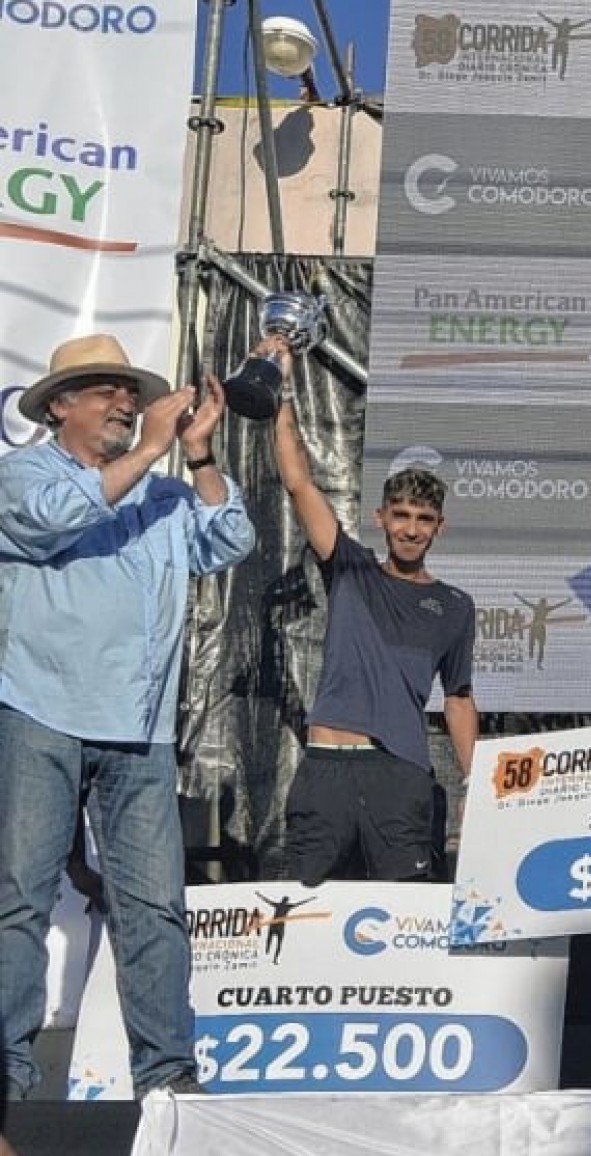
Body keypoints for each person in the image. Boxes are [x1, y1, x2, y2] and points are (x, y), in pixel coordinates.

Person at [0, 333, 253, 1099]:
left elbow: (231, 536)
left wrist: (200, 456)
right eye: (105, 390)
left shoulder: (163, 494)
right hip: (42, 710)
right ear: (59, 407)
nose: (126, 402)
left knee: (154, 909)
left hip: (140, 730)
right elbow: (47, 523)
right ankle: (6, 1074)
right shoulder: (23, 475)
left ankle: (168, 1078)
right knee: (20, 896)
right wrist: (148, 450)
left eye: (130, 390)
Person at [273, 365, 477, 886]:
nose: (411, 529)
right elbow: (297, 481)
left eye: (423, 519)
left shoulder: (455, 606)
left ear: (439, 527)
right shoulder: (351, 568)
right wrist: (282, 388)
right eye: (402, 515)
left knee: (404, 918)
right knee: (303, 914)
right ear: (380, 518)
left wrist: (478, 783)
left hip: (398, 774)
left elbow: (458, 698)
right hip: (325, 768)